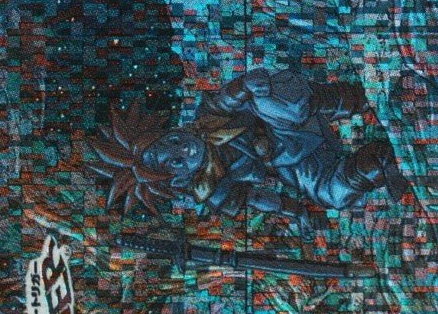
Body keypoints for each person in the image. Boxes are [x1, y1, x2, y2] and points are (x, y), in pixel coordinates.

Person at [94, 65, 407, 227]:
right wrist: (297, 211)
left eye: (173, 142)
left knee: (277, 103)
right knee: (332, 194)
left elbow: (225, 99)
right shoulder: (210, 189)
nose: (184, 149)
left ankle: (362, 97)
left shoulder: (207, 117)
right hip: (291, 160)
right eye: (176, 161)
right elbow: (254, 197)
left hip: (283, 119)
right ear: (177, 180)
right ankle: (381, 160)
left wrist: (245, 86)